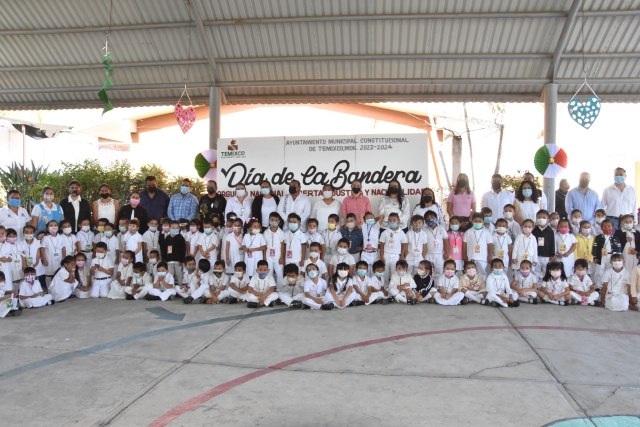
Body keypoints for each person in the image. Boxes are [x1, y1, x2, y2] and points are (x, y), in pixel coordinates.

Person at [379, 212, 407, 284]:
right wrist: (381, 256)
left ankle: (394, 286)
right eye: (390, 220)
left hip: (396, 255)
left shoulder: (401, 233)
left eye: (394, 220)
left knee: (394, 272)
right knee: (385, 272)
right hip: (386, 254)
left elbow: (404, 245)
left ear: (399, 221)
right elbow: (382, 245)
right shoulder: (385, 232)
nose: (391, 222)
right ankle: (384, 286)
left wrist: (401, 256)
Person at [592, 219, 622, 287]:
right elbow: (595, 247)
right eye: (604, 227)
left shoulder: (615, 238)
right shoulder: (598, 237)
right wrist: (595, 256)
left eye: (609, 226)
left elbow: (618, 248)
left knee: (610, 270)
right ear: (601, 228)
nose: (607, 228)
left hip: (611, 256)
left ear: (613, 228)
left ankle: (609, 286)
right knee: (599, 271)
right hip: (601, 256)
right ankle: (598, 286)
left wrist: (618, 257)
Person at [462, 213, 493, 279]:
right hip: (471, 256)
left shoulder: (487, 232)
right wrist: (464, 254)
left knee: (482, 274)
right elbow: (465, 243)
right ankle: (472, 287)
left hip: (483, 257)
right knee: (471, 273)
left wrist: (490, 255)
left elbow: (490, 244)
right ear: (472, 221)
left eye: (480, 221)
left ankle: (482, 287)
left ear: (483, 221)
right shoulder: (468, 232)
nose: (478, 223)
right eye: (476, 221)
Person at [160, 221, 186, 285]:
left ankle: (180, 286)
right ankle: (171, 286)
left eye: (177, 228)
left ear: (179, 228)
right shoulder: (167, 238)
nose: (175, 229)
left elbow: (183, 250)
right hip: (169, 260)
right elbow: (164, 249)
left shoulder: (181, 238)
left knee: (178, 273)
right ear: (169, 228)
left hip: (178, 260)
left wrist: (181, 260)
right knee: (170, 274)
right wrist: (165, 259)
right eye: (173, 228)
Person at [263, 212, 285, 290]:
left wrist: (282, 257)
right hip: (268, 253)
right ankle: (269, 288)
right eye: (272, 220)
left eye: (276, 220)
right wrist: (264, 257)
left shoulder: (281, 232)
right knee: (269, 272)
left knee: (279, 272)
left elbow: (282, 245)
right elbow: (264, 246)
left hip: (278, 253)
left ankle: (279, 289)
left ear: (279, 222)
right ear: (269, 220)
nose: (274, 222)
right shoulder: (266, 232)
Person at [532, 210, 556, 280]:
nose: (541, 219)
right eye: (539, 217)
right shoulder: (534, 230)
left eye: (543, 217)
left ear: (548, 220)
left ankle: (545, 286)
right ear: (536, 219)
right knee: (536, 271)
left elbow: (552, 243)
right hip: (537, 255)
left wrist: (552, 255)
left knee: (546, 271)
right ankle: (536, 285)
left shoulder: (550, 231)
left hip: (547, 255)